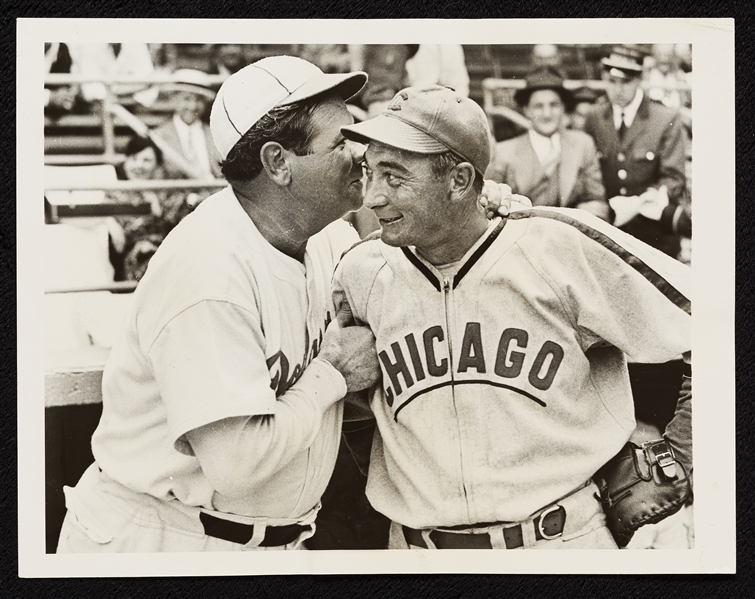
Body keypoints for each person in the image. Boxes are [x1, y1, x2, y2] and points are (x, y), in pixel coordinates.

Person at [335, 85, 691, 550]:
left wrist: (680, 456)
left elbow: (717, 327)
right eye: (369, 171)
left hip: (561, 543)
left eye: (395, 176)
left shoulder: (558, 247)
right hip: (415, 551)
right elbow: (351, 416)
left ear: (460, 180)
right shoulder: (361, 272)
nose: (374, 197)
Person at [56, 55, 382, 553]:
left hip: (267, 540)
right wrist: (332, 371)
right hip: (161, 540)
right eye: (342, 142)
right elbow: (238, 465)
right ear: (278, 163)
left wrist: (477, 217)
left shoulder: (326, 239)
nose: (361, 154)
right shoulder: (208, 269)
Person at [583, 44, 688, 258]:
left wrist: (641, 202)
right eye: (612, 81)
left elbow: (674, 177)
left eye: (626, 82)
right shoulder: (594, 117)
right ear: (603, 77)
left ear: (640, 78)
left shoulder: (665, 117)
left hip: (653, 233)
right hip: (608, 233)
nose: (618, 89)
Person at [486, 67, 610, 221]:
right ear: (526, 110)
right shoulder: (504, 152)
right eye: (538, 106)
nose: (547, 114)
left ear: (563, 108)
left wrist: (581, 215)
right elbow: (489, 209)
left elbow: (598, 202)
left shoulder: (582, 144)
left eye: (554, 105)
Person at [106, 136, 196, 282]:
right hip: (136, 262)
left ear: (157, 166)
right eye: (133, 159)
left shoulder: (167, 193)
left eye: (146, 160)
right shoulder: (115, 193)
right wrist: (108, 221)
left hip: (167, 256)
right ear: (125, 161)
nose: (138, 165)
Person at [153, 69, 224, 180]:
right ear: (174, 99)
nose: (193, 106)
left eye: (199, 100)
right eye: (186, 99)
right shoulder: (159, 135)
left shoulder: (216, 134)